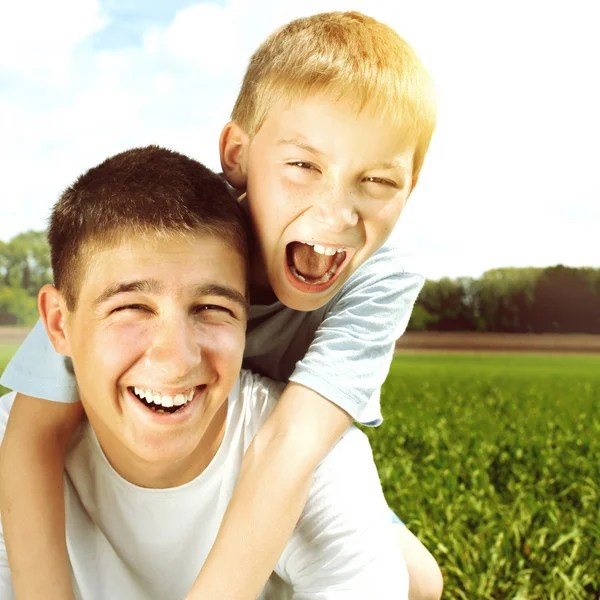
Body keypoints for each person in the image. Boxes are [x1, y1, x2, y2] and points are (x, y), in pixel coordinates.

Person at [0, 11, 443, 600]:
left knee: (417, 580)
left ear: (409, 189)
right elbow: (32, 429)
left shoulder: (380, 280)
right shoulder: (164, 233)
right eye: (304, 166)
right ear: (238, 153)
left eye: (379, 182)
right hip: (169, 439)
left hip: (263, 441)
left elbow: (289, 448)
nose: (338, 214)